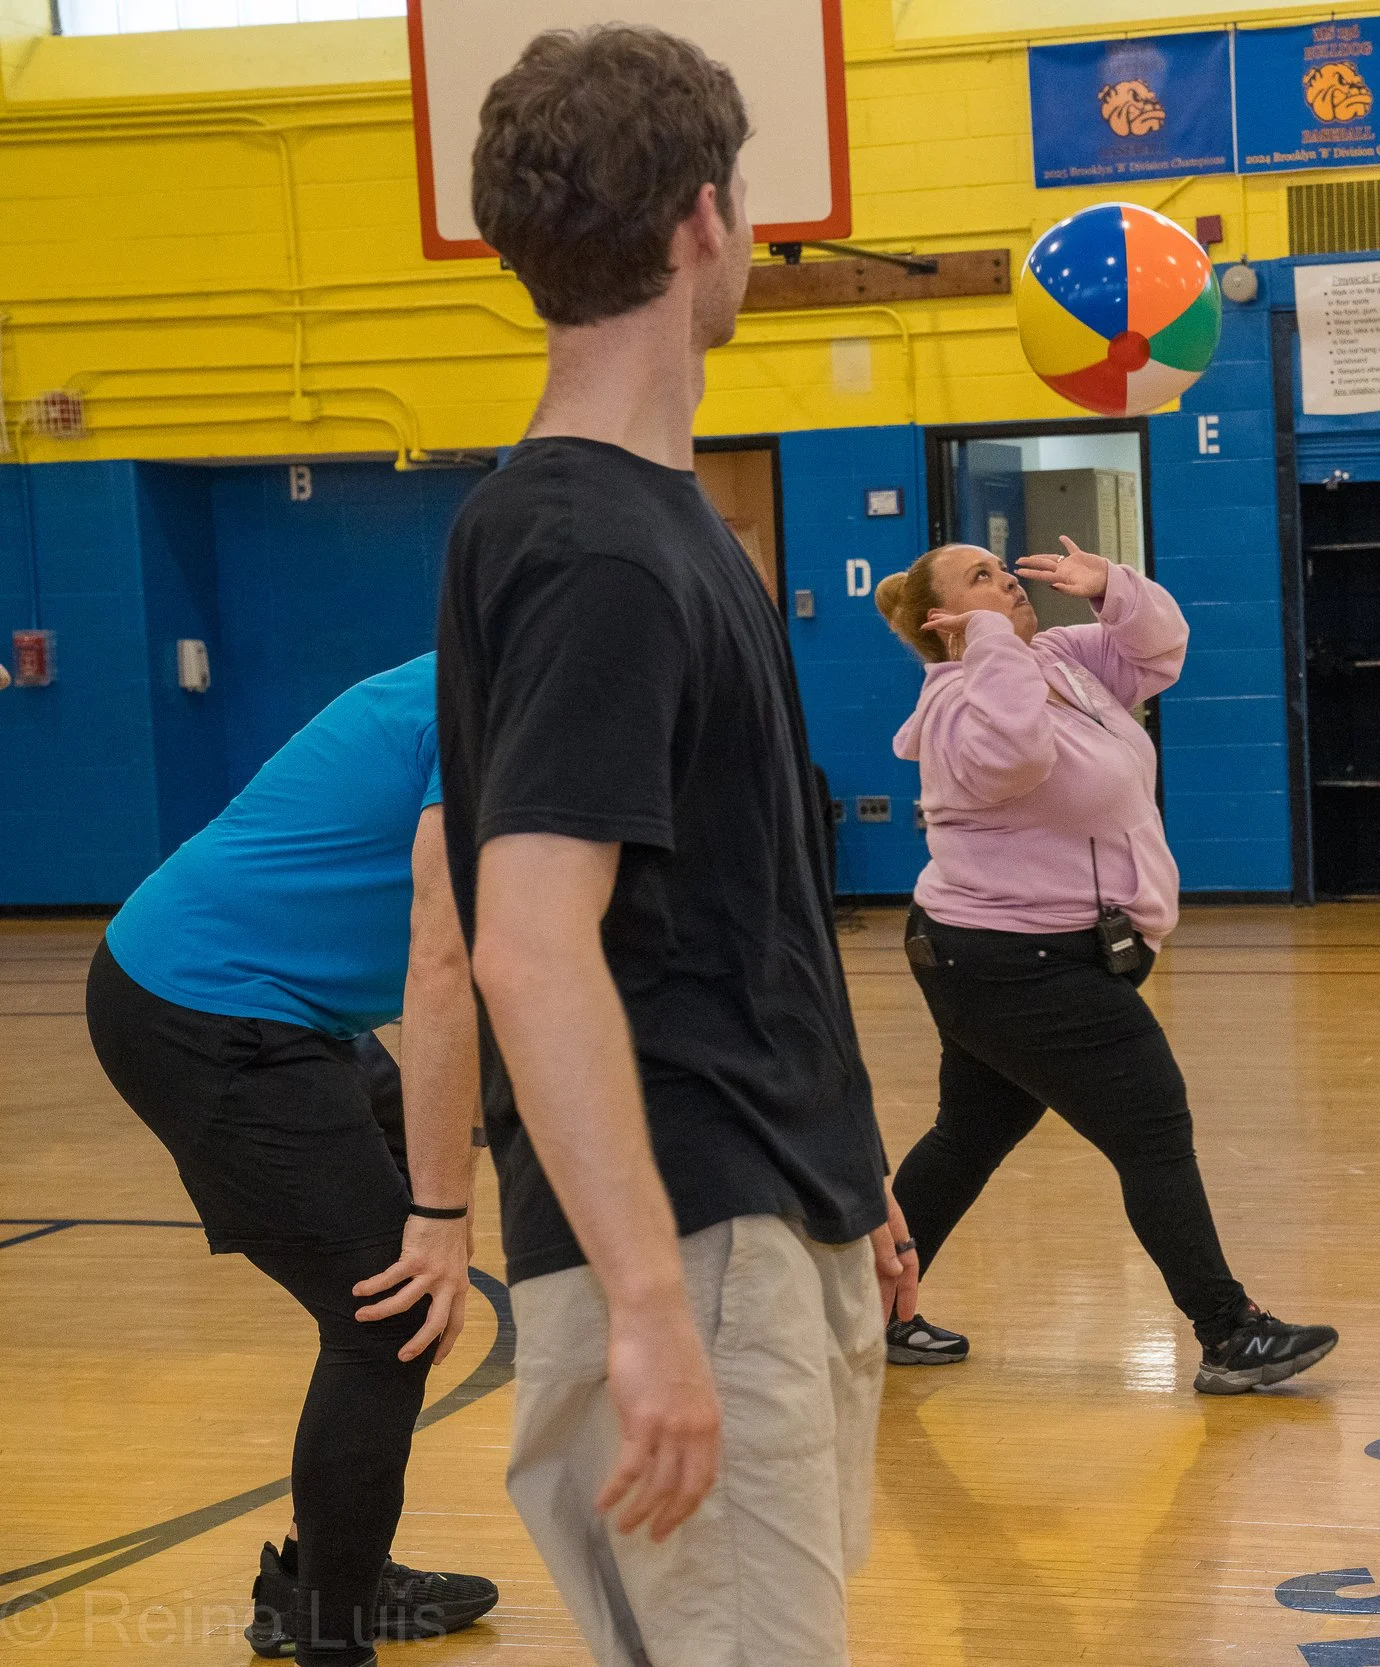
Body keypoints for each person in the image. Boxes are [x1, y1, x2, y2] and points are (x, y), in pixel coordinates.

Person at [437, 27, 906, 1667]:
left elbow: (741, 905)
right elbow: (523, 938)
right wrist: (645, 1302)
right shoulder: (591, 551)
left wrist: (855, 1186)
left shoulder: (668, 529)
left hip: (776, 1204)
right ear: (705, 217)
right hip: (693, 1238)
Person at [84, 654, 499, 1667]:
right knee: (390, 1316)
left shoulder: (504, 660)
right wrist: (446, 1211)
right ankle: (327, 1636)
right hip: (205, 1005)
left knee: (393, 1305)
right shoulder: (490, 695)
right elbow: (446, 956)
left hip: (296, 1012)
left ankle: (326, 1575)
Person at [875, 537, 1339, 1394]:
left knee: (969, 1136)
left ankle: (866, 1319)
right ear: (944, 625)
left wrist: (1112, 589)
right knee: (1152, 1121)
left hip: (1017, 954)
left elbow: (1159, 650)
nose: (1008, 580)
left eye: (1002, 569)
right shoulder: (955, 708)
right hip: (1009, 961)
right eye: (982, 578)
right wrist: (986, 647)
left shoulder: (1056, 658)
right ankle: (1228, 1332)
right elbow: (1017, 756)